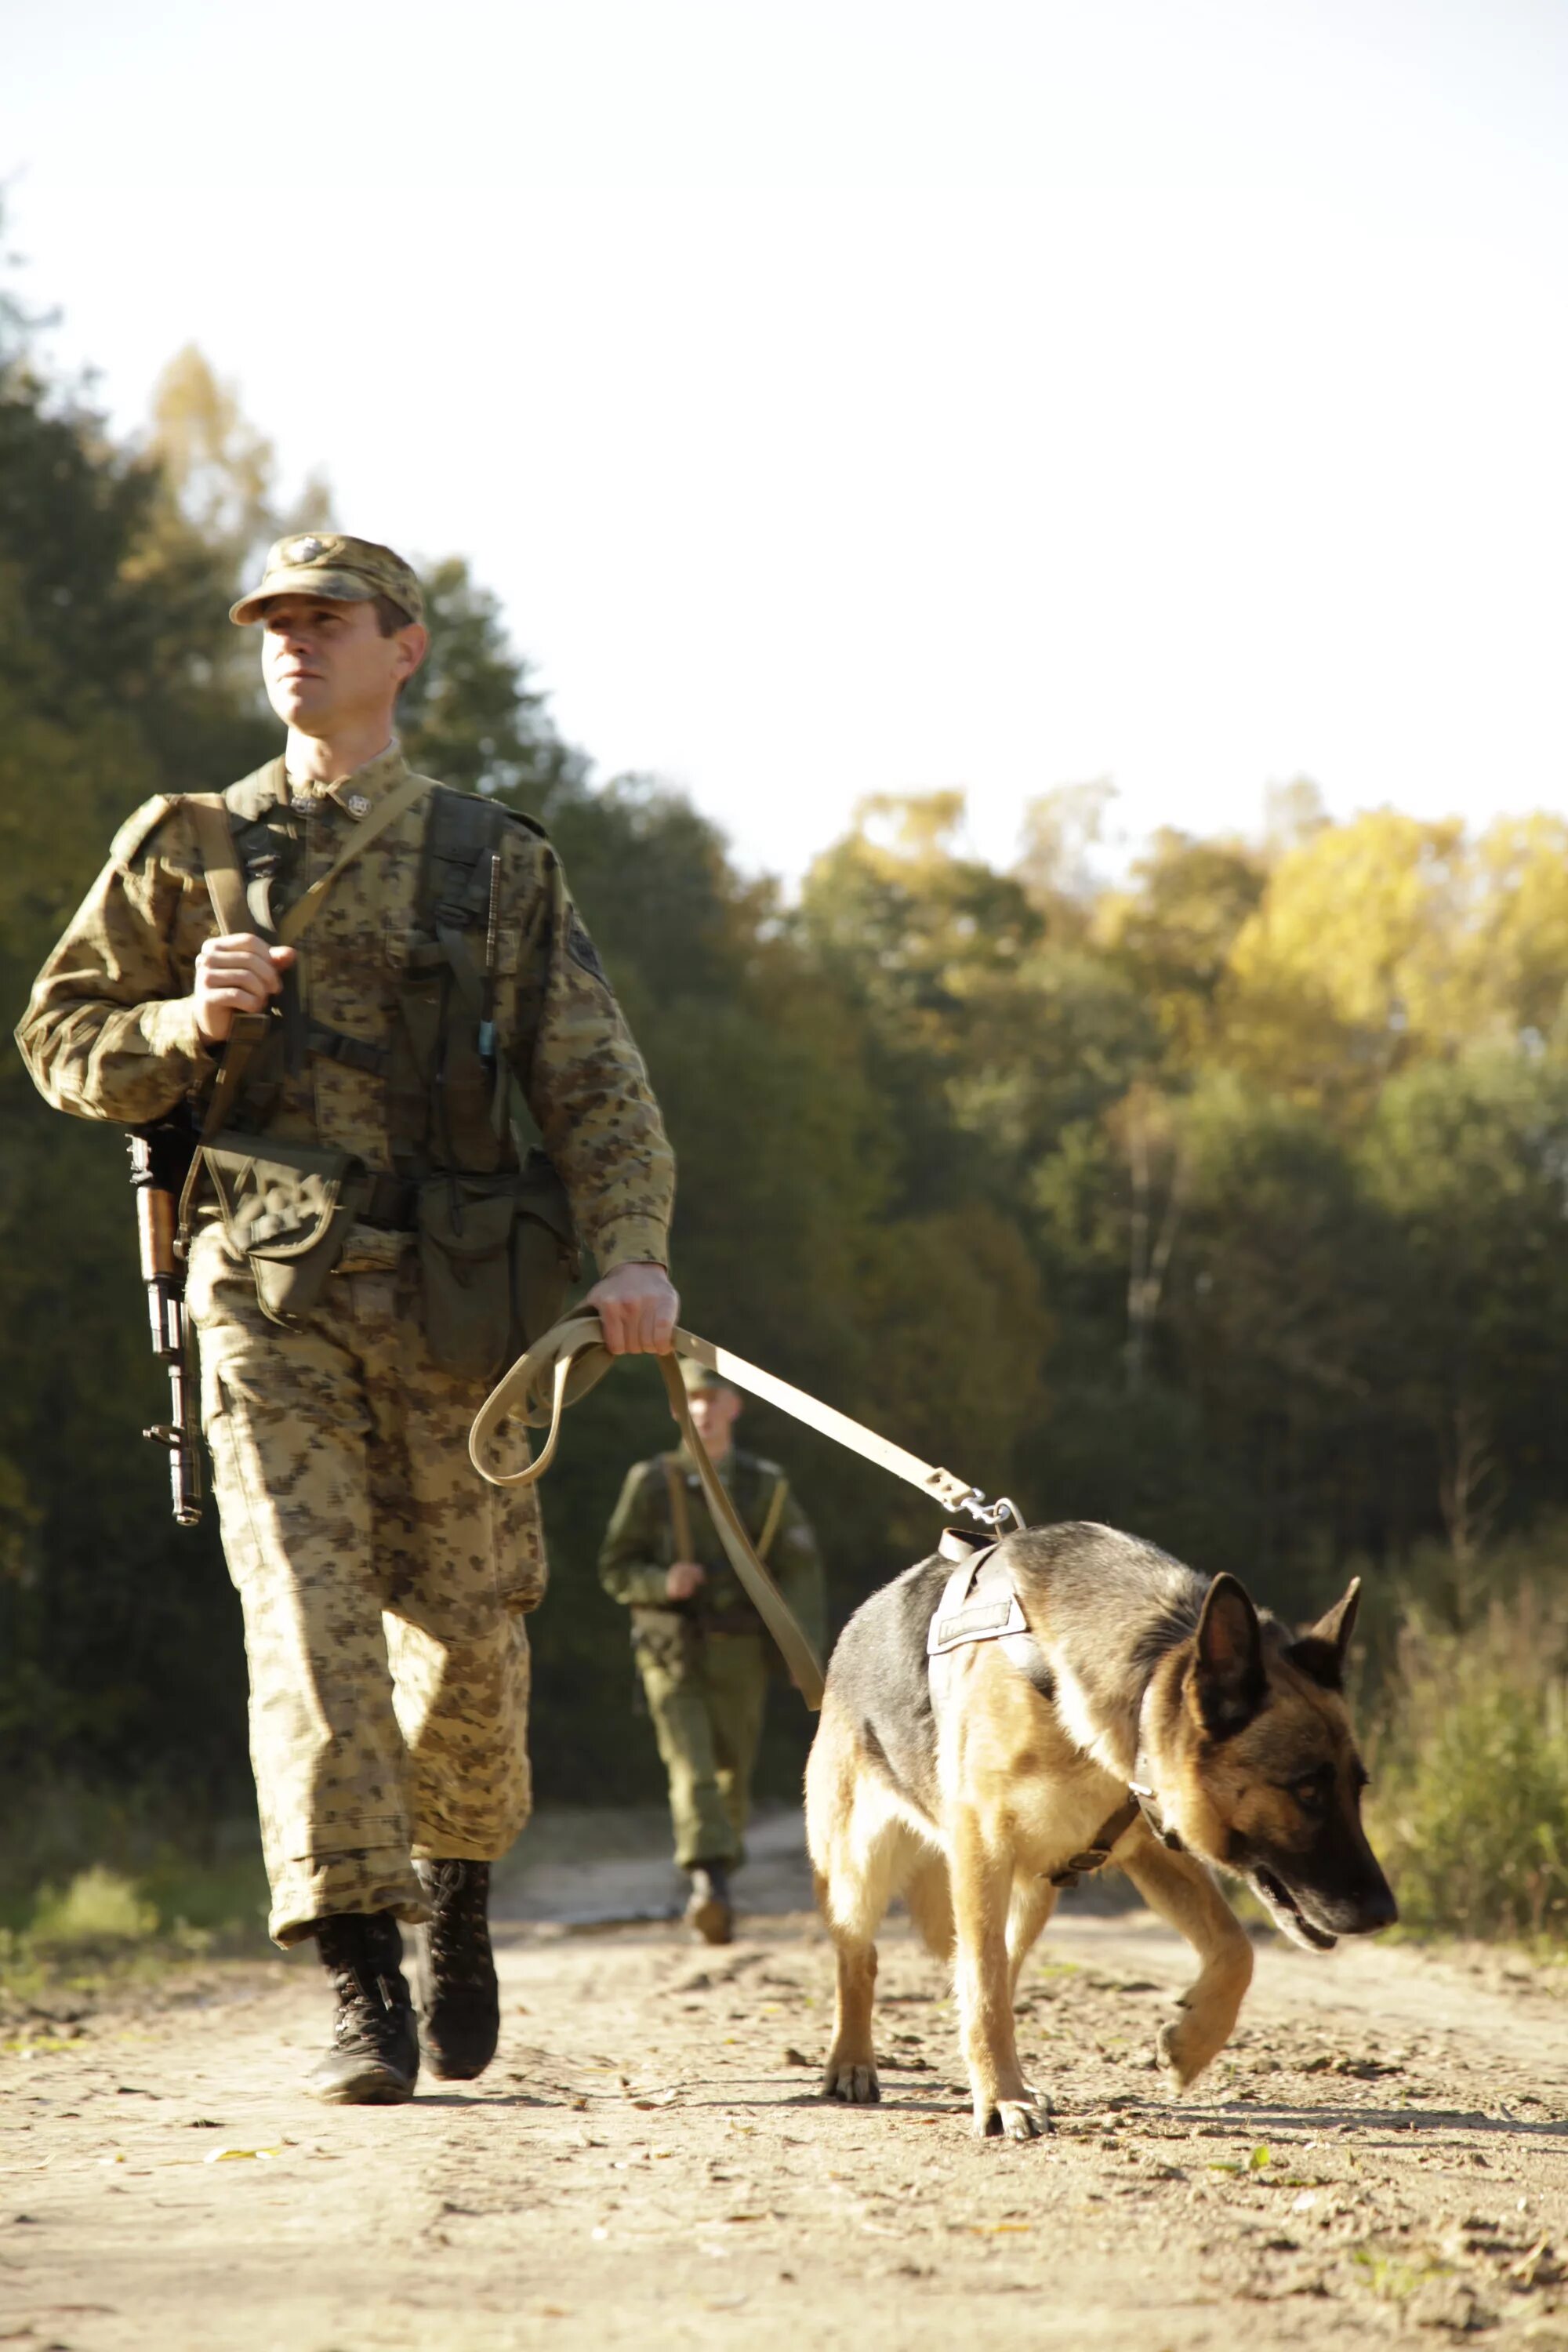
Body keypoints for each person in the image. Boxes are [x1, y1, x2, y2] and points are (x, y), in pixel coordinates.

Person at [16, 533, 677, 2104]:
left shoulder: (495, 861)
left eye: (328, 623)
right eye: (275, 627)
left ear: (405, 649)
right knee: (308, 1634)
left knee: (465, 1647)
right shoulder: (187, 844)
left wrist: (633, 1256)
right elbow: (58, 1038)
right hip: (262, 1293)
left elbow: (595, 1084)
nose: (295, 648)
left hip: (463, 1308)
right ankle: (356, 1972)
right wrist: (186, 1016)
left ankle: (455, 1893)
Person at [597, 1361, 826, 1943]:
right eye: (691, 1398)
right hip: (669, 1650)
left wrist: (805, 1657)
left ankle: (717, 1875)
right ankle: (708, 1883)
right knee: (691, 1765)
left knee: (732, 1773)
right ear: (678, 1408)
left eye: (713, 1398)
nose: (702, 1408)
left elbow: (799, 1573)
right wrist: (660, 1581)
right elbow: (615, 1567)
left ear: (733, 1407)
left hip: (740, 1649)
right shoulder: (650, 1482)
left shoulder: (765, 1489)